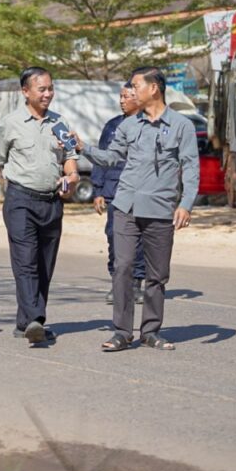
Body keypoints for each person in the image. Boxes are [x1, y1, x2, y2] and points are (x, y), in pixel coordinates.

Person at [75, 67, 199, 352]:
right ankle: (121, 332)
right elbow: (110, 157)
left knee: (157, 274)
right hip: (125, 207)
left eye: (135, 86)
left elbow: (191, 168)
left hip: (160, 210)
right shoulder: (128, 125)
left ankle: (151, 332)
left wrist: (186, 204)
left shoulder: (182, 126)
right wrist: (83, 147)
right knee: (123, 267)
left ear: (153, 88)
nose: (131, 91)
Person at [0, 67, 79, 345]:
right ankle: (36, 319)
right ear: (25, 91)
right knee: (26, 262)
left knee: (44, 265)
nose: (48, 94)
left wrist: (72, 176)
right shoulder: (10, 123)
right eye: (41, 89)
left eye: (50, 88)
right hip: (20, 201)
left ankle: (26, 323)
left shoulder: (60, 122)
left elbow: (70, 158)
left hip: (52, 202)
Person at [91, 84, 146, 305]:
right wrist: (98, 190)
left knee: (139, 239)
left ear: (138, 97)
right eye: (120, 96)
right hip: (114, 191)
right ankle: (117, 283)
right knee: (114, 237)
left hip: (141, 191)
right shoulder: (112, 126)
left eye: (127, 96)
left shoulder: (149, 123)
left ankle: (136, 283)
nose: (122, 101)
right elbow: (101, 157)